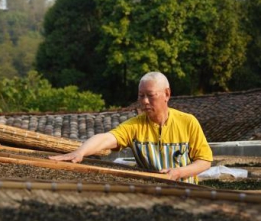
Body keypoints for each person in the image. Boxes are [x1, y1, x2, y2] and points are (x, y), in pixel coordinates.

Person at [49, 71, 213, 183]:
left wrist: (178, 173)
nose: (144, 101)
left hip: (188, 193)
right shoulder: (135, 126)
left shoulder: (188, 122)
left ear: (167, 94)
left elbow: (204, 161)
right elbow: (107, 138)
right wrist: (80, 152)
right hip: (151, 194)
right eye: (141, 96)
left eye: (150, 95)